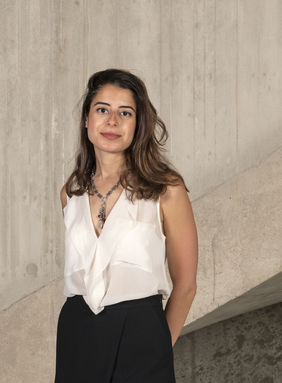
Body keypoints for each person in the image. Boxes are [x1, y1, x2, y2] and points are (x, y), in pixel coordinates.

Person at [54, 69, 198, 383]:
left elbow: (185, 287)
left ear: (138, 124)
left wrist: (157, 348)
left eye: (125, 113)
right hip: (76, 333)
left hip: (141, 335)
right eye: (102, 109)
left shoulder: (166, 190)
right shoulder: (71, 193)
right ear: (87, 119)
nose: (112, 121)